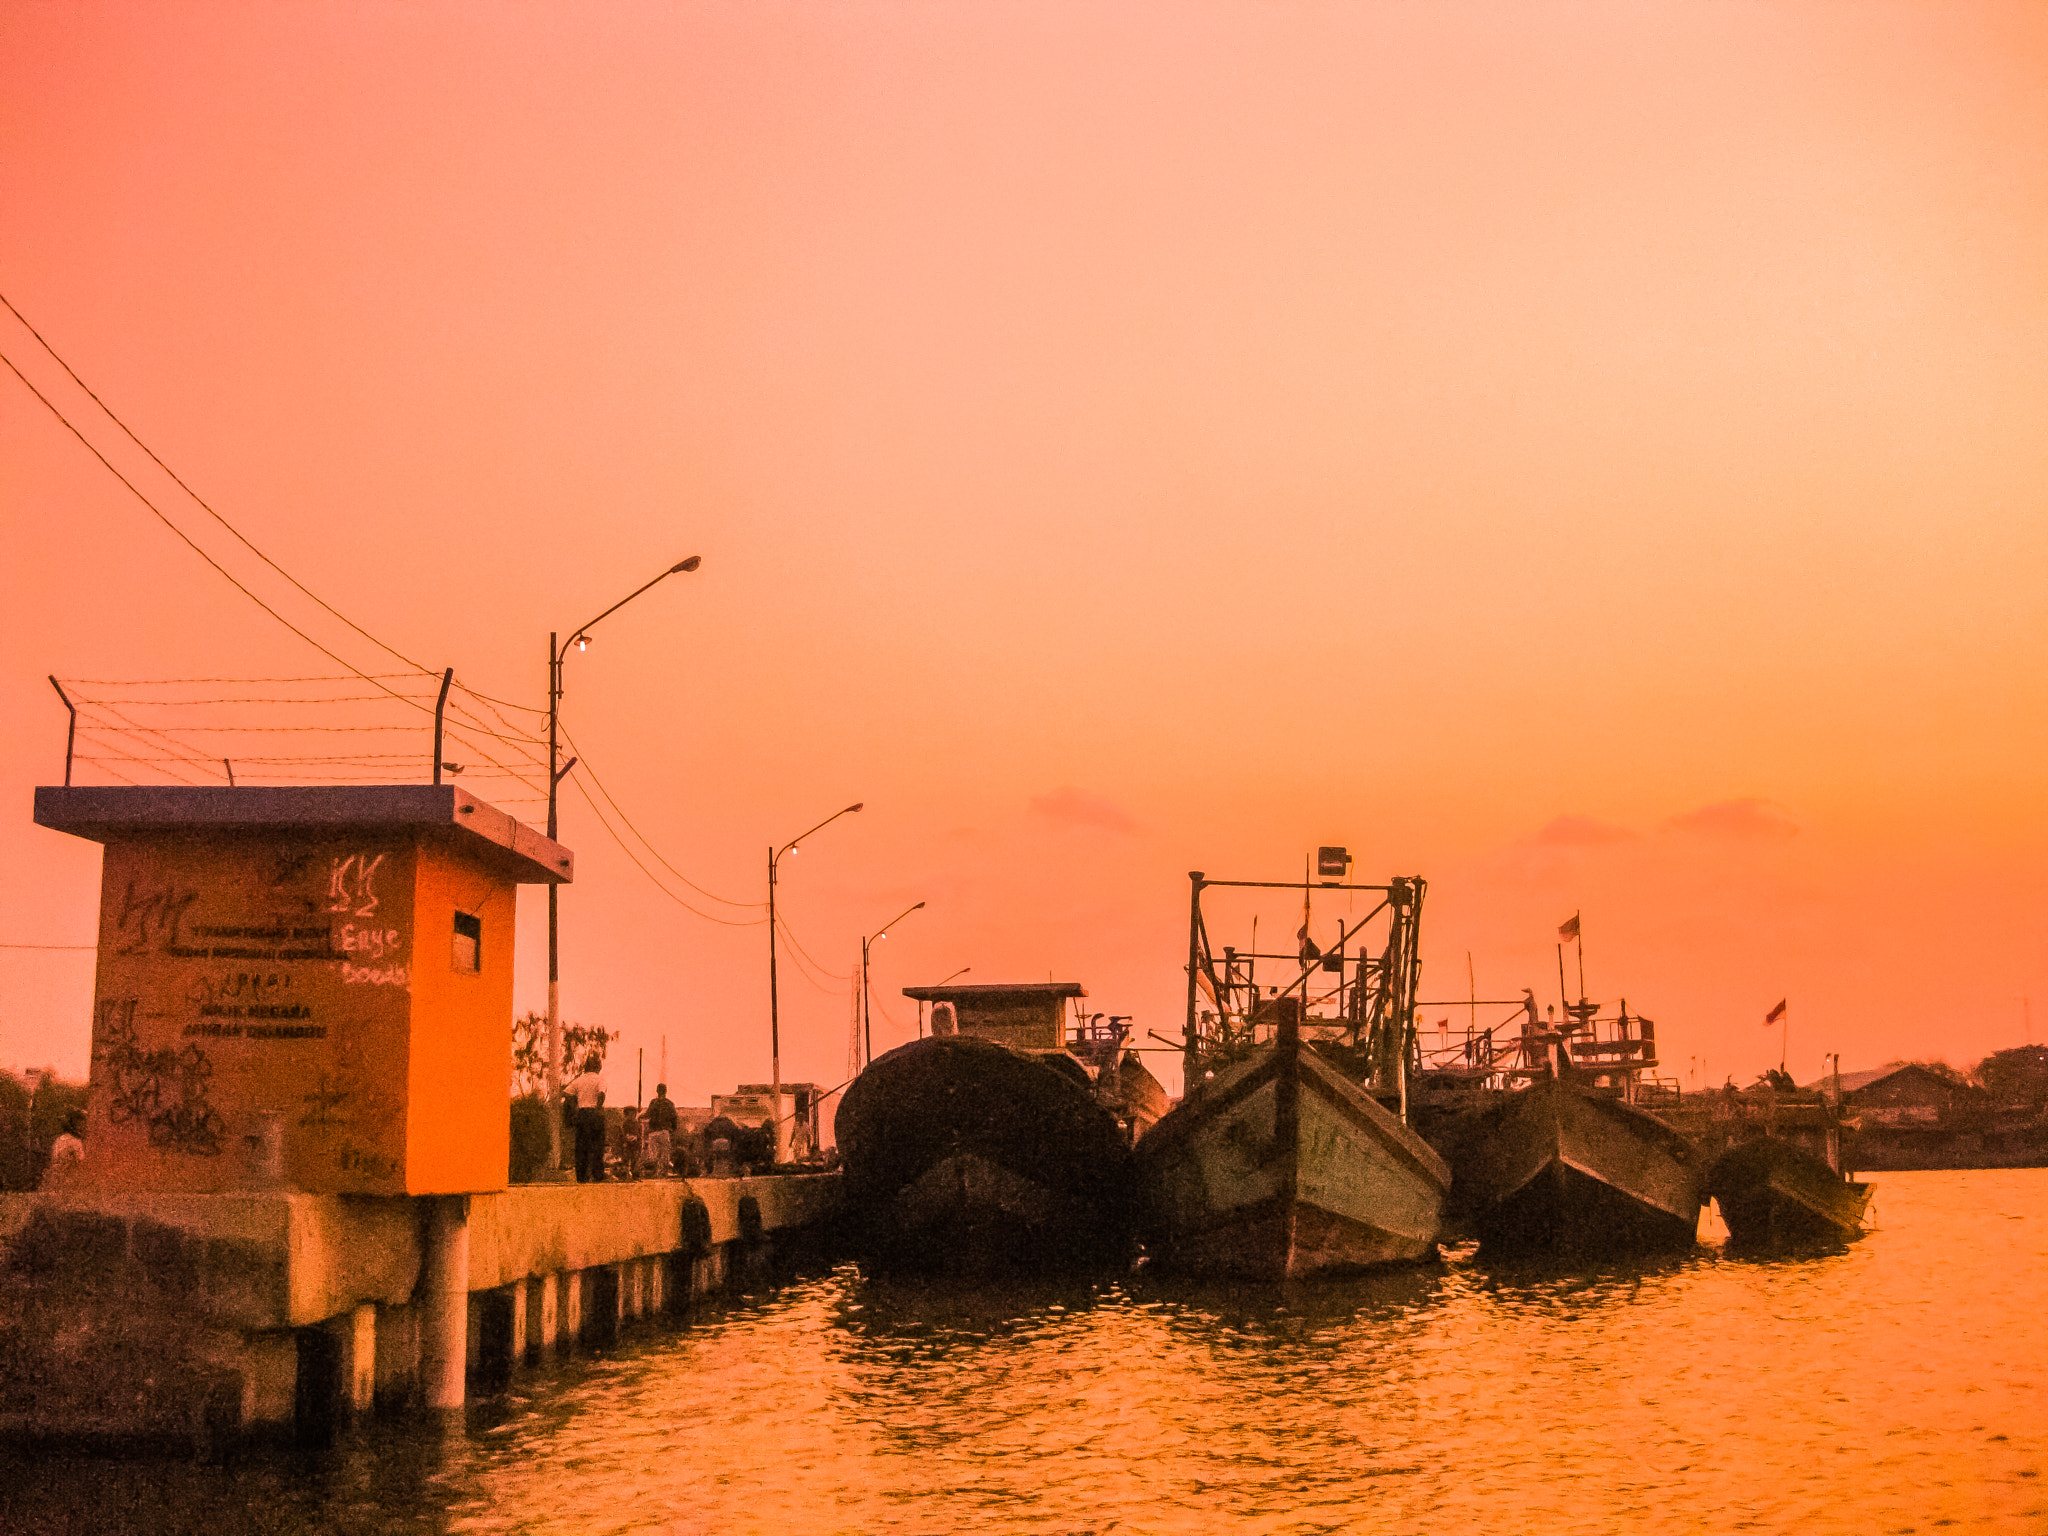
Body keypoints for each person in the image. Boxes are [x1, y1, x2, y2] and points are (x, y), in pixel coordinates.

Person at [566, 1053, 607, 1182]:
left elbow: (567, 1092)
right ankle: (597, 1175)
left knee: (581, 1146)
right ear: (598, 1066)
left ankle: (581, 1176)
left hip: (582, 1113)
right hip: (594, 1113)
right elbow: (601, 1094)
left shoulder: (579, 1079)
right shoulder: (600, 1079)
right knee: (597, 1145)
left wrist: (575, 1107)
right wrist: (599, 1107)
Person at [41, 1109, 84, 1189]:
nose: (82, 1126)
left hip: (58, 1177)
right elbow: (80, 1160)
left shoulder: (60, 1139)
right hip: (67, 1179)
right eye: (80, 1124)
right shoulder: (74, 1141)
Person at [644, 1083, 679, 1176]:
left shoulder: (653, 1102)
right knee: (664, 1154)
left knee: (654, 1154)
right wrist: (673, 1130)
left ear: (657, 1091)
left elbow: (647, 1114)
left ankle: (655, 1173)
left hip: (653, 1132)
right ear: (666, 1091)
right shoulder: (669, 1104)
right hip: (664, 1132)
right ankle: (663, 1173)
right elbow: (674, 1118)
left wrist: (639, 1116)